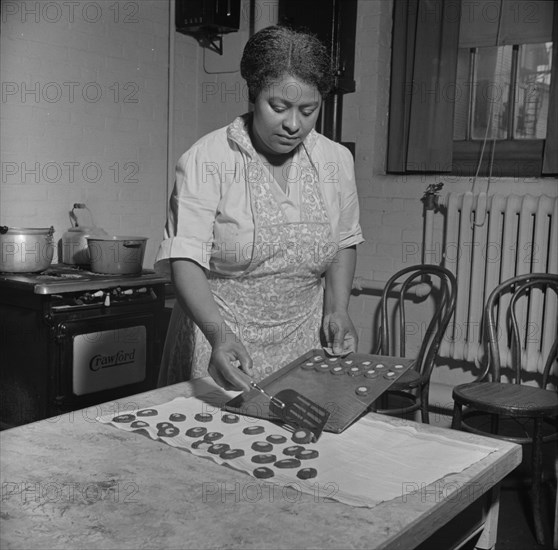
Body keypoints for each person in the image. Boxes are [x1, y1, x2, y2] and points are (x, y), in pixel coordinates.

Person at [155, 25, 364, 392]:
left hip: (303, 342)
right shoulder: (209, 159)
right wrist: (220, 336)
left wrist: (337, 310)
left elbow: (344, 242)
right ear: (253, 95)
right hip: (222, 341)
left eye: (308, 110)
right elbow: (184, 258)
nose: (293, 124)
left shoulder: (335, 160)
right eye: (278, 107)